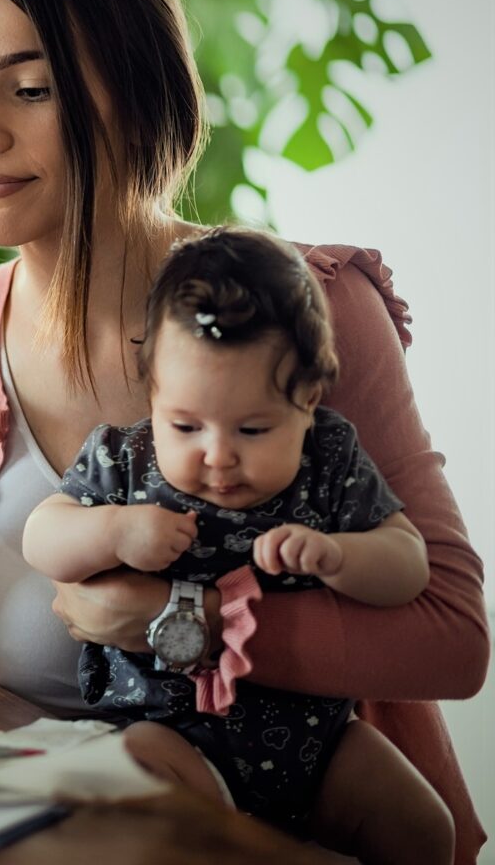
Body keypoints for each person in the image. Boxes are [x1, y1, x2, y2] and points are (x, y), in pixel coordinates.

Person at [0, 0, 487, 864]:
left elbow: (452, 640)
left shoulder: (306, 308)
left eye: (31, 89)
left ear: (140, 105)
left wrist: (180, 622)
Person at [22, 228, 444, 861]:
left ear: (308, 402)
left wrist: (343, 557)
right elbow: (41, 538)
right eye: (186, 425)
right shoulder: (126, 462)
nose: (217, 455)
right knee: (145, 786)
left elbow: (408, 566)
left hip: (319, 743)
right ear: (153, 394)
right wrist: (114, 530)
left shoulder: (328, 461)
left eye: (252, 429)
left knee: (425, 828)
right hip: (168, 732)